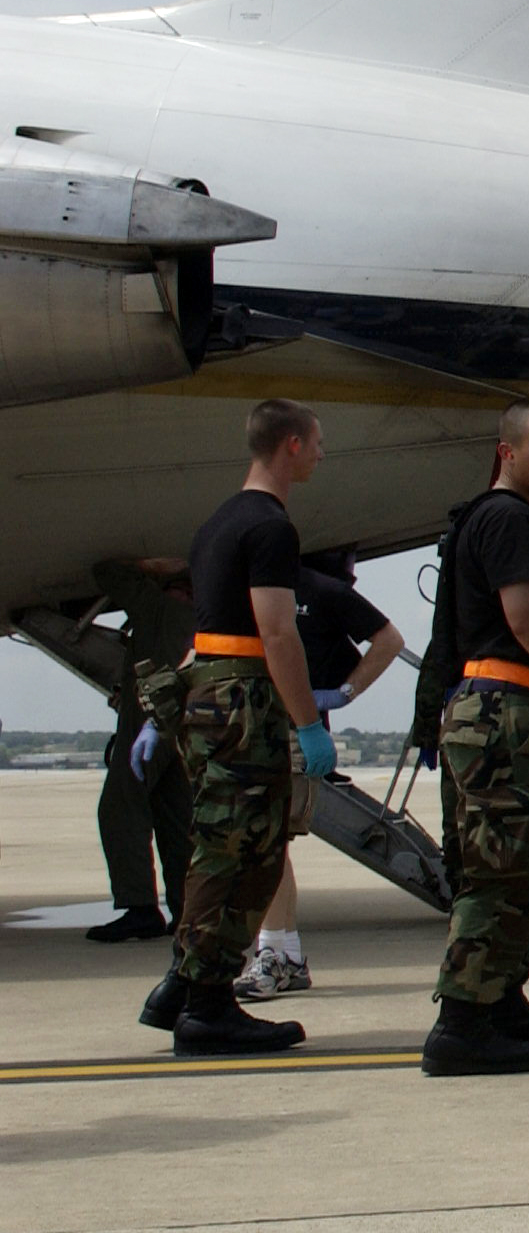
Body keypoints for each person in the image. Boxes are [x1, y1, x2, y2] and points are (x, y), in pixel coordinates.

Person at [133, 399, 334, 1055]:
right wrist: (308, 724)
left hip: (208, 693)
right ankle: (208, 1004)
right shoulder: (271, 528)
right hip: (245, 702)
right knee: (248, 852)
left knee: (216, 845)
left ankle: (184, 983)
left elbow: (207, 625)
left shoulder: (218, 522)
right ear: (292, 447)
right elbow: (276, 632)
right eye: (317, 441)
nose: (322, 453)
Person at [422, 398, 529, 1077]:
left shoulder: (498, 518)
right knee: (499, 872)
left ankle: (499, 1000)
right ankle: (463, 1022)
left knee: (514, 867)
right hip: (503, 706)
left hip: (495, 708)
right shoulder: (507, 519)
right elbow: (524, 617)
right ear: (508, 451)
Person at [233, 554, 404, 1001]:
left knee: (269, 840)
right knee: (261, 843)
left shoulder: (321, 592)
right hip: (248, 725)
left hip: (294, 728)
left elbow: (388, 640)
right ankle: (281, 951)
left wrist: (345, 692)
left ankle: (277, 952)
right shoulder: (246, 590)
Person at [86, 558, 196, 944]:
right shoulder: (201, 619)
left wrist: (149, 569)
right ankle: (187, 910)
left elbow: (108, 572)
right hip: (184, 722)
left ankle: (139, 907)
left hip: (149, 715)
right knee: (176, 817)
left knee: (120, 807)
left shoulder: (158, 607)